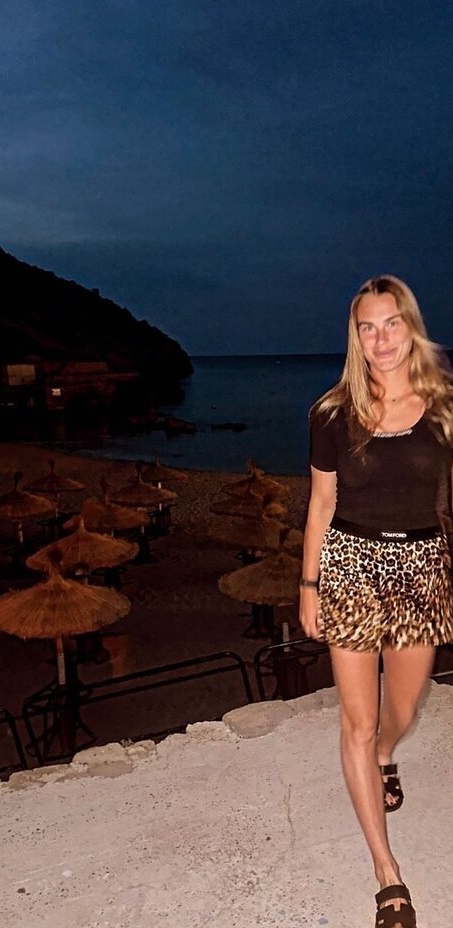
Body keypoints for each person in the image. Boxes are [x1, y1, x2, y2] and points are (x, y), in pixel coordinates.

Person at [299, 275, 453, 928]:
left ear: (410, 327)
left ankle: (386, 754)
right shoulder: (331, 413)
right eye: (368, 327)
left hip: (422, 568)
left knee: (404, 706)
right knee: (356, 722)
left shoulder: (444, 407)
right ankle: (386, 874)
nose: (381, 339)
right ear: (354, 337)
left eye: (391, 323)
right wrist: (308, 586)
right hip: (351, 566)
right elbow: (321, 504)